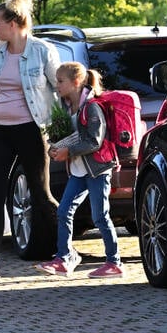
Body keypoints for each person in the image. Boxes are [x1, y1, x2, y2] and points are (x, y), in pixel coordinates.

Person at [0, 0, 60, 280]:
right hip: (0, 130)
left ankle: (66, 250)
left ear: (15, 22)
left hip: (32, 130)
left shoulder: (43, 51)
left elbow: (60, 90)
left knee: (41, 195)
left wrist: (65, 133)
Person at [36, 61, 123, 279]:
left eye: (60, 81)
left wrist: (68, 150)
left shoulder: (91, 107)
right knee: (64, 210)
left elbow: (94, 141)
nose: (57, 85)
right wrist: (57, 147)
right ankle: (64, 258)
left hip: (97, 170)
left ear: (76, 82)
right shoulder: (69, 107)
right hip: (79, 171)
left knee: (100, 216)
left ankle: (114, 263)